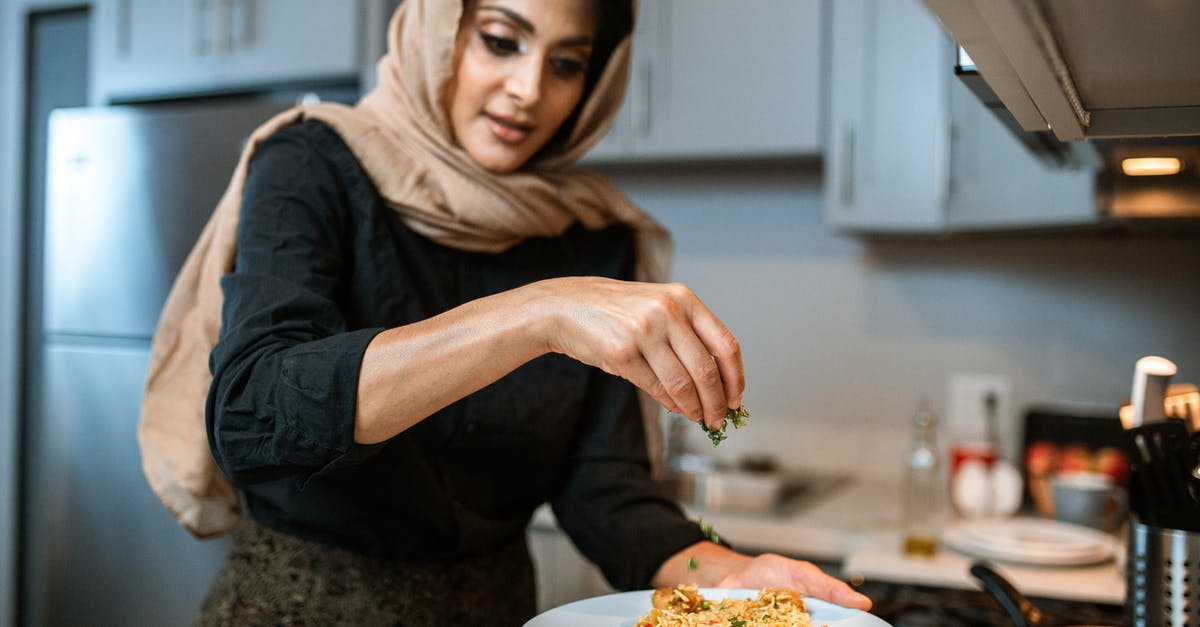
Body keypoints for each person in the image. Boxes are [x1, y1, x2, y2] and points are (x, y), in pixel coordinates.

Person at [143, 0, 872, 623]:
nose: (528, 89)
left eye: (566, 63)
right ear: (439, 27)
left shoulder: (593, 234)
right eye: (500, 40)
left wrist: (722, 575)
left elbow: (605, 491)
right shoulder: (314, 162)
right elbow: (255, 415)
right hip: (298, 605)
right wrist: (539, 312)